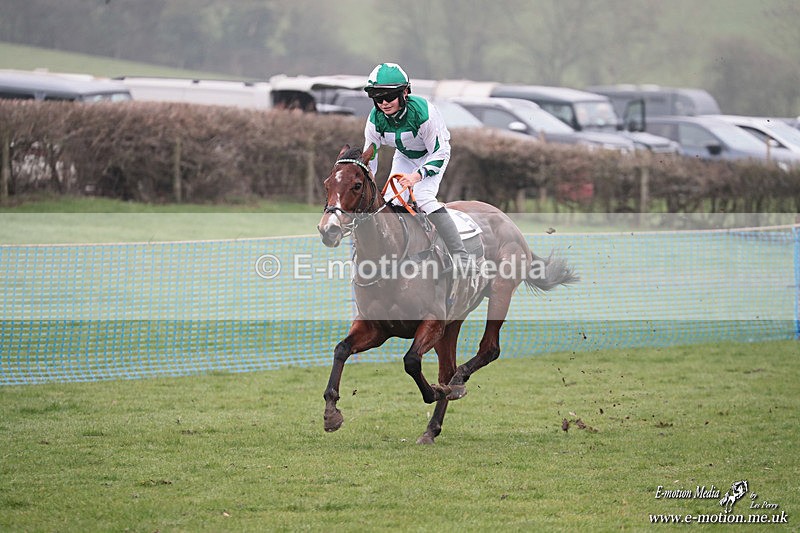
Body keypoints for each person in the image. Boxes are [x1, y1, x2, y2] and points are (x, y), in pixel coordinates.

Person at [362, 62, 470, 272]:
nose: (383, 103)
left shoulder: (423, 112)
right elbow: (370, 155)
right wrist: (368, 181)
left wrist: (417, 176)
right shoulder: (375, 119)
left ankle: (461, 257)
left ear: (405, 92)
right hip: (404, 157)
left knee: (422, 197)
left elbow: (440, 151)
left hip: (433, 155)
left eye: (389, 96)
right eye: (377, 98)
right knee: (391, 202)